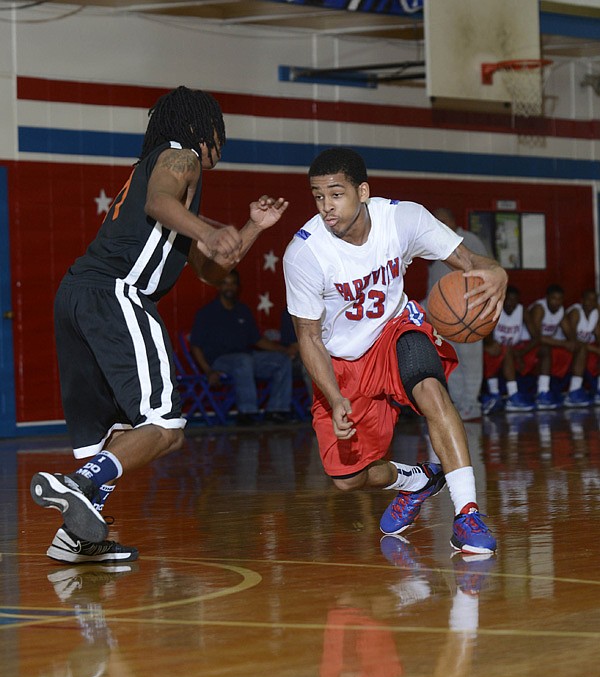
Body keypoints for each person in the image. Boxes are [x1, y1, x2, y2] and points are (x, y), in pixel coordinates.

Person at [29, 86, 289, 563]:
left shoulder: (165, 183)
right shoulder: (179, 156)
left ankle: (77, 539)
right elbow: (160, 204)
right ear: (202, 128)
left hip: (77, 296)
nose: (219, 141)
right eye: (218, 130)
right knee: (166, 425)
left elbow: (213, 270)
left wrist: (252, 228)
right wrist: (210, 229)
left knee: (112, 434)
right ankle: (78, 485)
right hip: (116, 291)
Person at [282, 147, 507, 554]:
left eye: (336, 194)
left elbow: (467, 259)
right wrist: (334, 397)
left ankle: (467, 514)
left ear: (363, 191)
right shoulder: (305, 253)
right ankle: (417, 480)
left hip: (395, 329)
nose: (326, 206)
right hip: (342, 362)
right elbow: (309, 337)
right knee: (347, 479)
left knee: (432, 392)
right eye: (318, 196)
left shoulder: (404, 219)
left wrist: (497, 271)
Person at [189, 268, 293, 425]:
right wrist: (209, 371)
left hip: (247, 358)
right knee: (243, 361)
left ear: (238, 287)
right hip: (219, 360)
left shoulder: (243, 310)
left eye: (232, 284)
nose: (229, 287)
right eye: (225, 284)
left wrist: (283, 350)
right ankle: (247, 413)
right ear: (218, 286)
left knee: (281, 361)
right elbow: (195, 346)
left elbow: (257, 340)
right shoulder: (207, 313)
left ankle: (276, 411)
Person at [426, 208, 492, 421]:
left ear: (454, 220)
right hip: (443, 315)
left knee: (470, 361)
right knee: (450, 360)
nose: (439, 224)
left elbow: (487, 271)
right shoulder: (434, 244)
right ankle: (458, 404)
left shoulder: (469, 240)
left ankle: (471, 405)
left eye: (443, 219)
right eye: (436, 221)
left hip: (469, 312)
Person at [527, 284, 587, 409]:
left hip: (549, 343)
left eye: (560, 299)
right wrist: (564, 343)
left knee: (580, 347)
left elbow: (569, 333)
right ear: (547, 297)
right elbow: (537, 338)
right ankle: (542, 392)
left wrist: (573, 343)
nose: (557, 302)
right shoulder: (540, 308)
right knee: (545, 348)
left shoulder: (560, 310)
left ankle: (574, 391)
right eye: (554, 298)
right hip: (528, 344)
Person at [482, 284, 536, 413]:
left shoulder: (522, 311)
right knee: (499, 351)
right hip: (497, 349)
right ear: (502, 299)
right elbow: (486, 338)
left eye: (515, 300)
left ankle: (542, 391)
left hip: (516, 349)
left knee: (541, 351)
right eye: (508, 300)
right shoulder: (493, 310)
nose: (511, 303)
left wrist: (520, 353)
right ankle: (504, 395)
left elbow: (536, 337)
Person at [565, 288, 600, 406]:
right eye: (588, 299)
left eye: (594, 300)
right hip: (567, 345)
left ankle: (598, 391)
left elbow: (598, 334)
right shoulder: (575, 312)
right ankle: (573, 391)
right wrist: (596, 349)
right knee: (583, 349)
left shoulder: (595, 313)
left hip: (585, 346)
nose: (591, 302)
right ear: (582, 300)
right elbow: (574, 341)